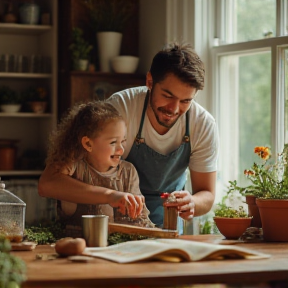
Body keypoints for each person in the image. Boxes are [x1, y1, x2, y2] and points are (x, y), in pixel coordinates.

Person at [39, 42, 219, 228]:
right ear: (150, 82)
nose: (174, 109)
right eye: (167, 95)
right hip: (109, 223)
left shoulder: (203, 124)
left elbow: (206, 193)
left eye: (186, 101)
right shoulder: (120, 109)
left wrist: (192, 203)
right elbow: (49, 182)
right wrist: (109, 195)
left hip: (167, 227)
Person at [43, 101, 154, 237]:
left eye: (123, 141)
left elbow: (141, 221)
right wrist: (110, 196)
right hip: (75, 248)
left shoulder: (128, 172)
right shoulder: (75, 166)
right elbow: (48, 184)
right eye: (113, 142)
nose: (121, 149)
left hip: (117, 251)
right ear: (88, 143)